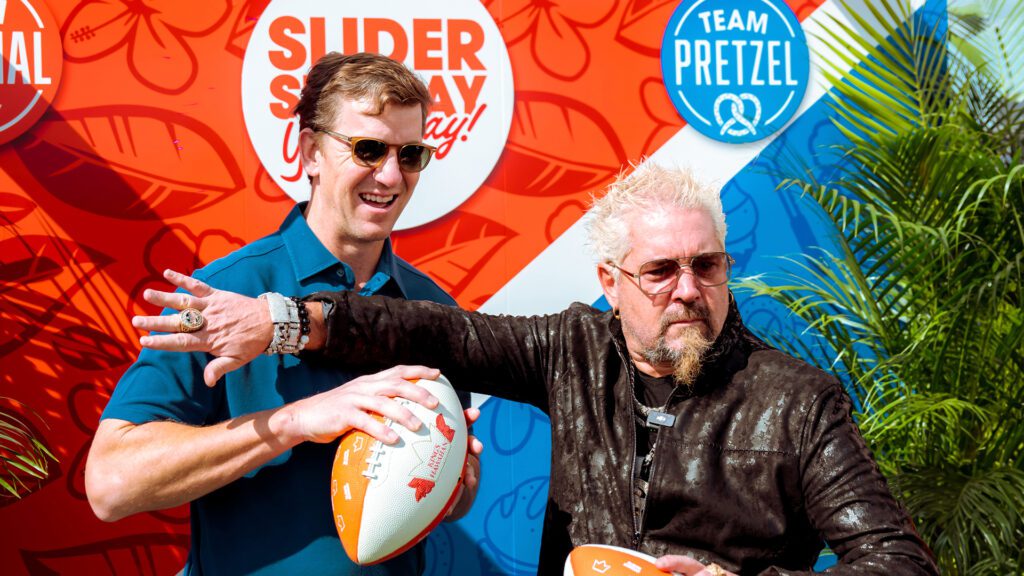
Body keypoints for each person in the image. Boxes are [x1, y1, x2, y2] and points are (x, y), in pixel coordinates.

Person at [132, 162, 939, 575]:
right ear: (611, 282)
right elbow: (433, 333)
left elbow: (900, 563)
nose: (689, 290)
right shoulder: (573, 350)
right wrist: (282, 321)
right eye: (661, 271)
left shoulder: (798, 401)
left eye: (708, 265)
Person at [86, 52, 481, 575]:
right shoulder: (228, 293)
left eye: (410, 155)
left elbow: (446, 503)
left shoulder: (435, 310)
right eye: (367, 149)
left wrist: (452, 482)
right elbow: (111, 484)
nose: (389, 176)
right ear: (311, 151)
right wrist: (295, 421)